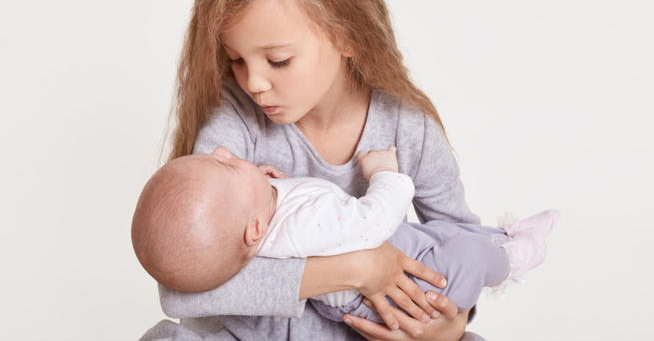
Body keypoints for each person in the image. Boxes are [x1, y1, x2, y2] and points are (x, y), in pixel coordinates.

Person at [139, 0, 507, 341]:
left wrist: (452, 323)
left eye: (279, 60)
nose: (254, 82)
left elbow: (466, 241)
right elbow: (181, 295)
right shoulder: (235, 124)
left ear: (348, 34)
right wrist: (356, 269)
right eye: (236, 59)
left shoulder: (409, 128)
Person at [132, 145, 558, 326]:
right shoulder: (301, 229)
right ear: (257, 229)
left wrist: (267, 187)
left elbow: (268, 213)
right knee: (466, 252)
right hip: (402, 292)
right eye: (225, 165)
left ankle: (503, 232)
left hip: (404, 250)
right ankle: (513, 260)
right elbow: (374, 221)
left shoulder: (251, 221)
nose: (223, 151)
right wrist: (384, 173)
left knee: (447, 230)